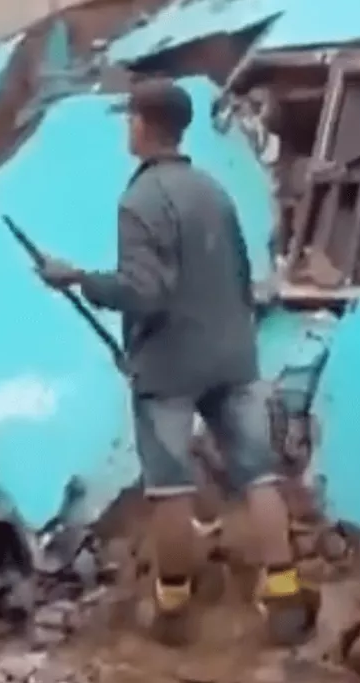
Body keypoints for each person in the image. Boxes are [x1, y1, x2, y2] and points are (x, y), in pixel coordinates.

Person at [35, 78, 309, 646]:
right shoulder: (212, 190)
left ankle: (173, 606)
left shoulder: (139, 201)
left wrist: (79, 279)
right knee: (258, 475)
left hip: (168, 366)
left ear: (142, 124)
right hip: (232, 355)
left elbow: (145, 291)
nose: (126, 130)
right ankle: (283, 595)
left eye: (129, 120)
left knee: (169, 488)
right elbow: (239, 274)